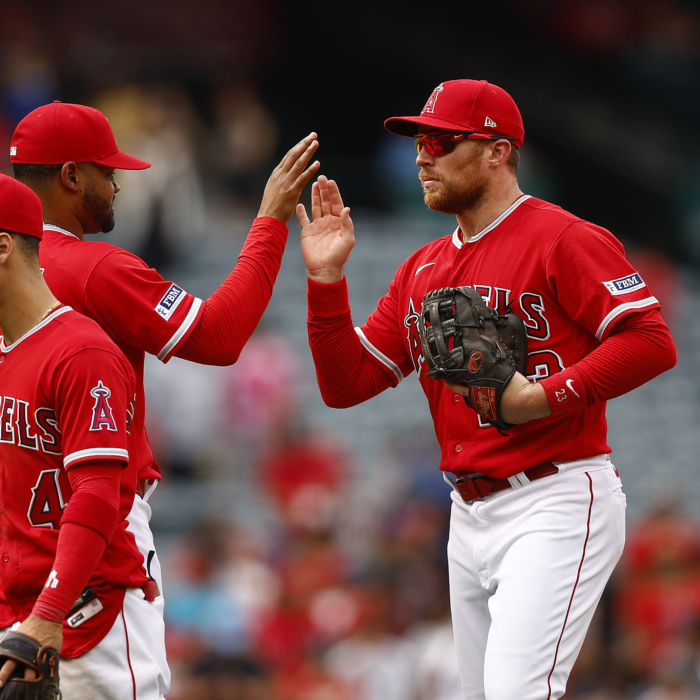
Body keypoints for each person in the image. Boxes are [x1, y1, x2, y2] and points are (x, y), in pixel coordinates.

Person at [297, 79, 677, 700]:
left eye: (442, 141)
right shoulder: (420, 268)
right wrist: (326, 280)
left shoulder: (562, 237)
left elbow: (651, 341)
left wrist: (541, 396)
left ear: (497, 151)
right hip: (466, 513)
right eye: (420, 142)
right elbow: (346, 384)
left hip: (554, 494)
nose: (422, 156)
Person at [5, 100, 319, 692]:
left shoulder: (14, 277)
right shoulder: (92, 269)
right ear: (71, 176)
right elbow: (221, 337)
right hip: (95, 538)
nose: (118, 182)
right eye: (105, 170)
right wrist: (271, 221)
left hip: (18, 538)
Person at [0, 173, 160, 698]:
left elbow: (97, 495)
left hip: (95, 615)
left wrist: (48, 612)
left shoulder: (80, 351)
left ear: (2, 248)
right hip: (19, 616)